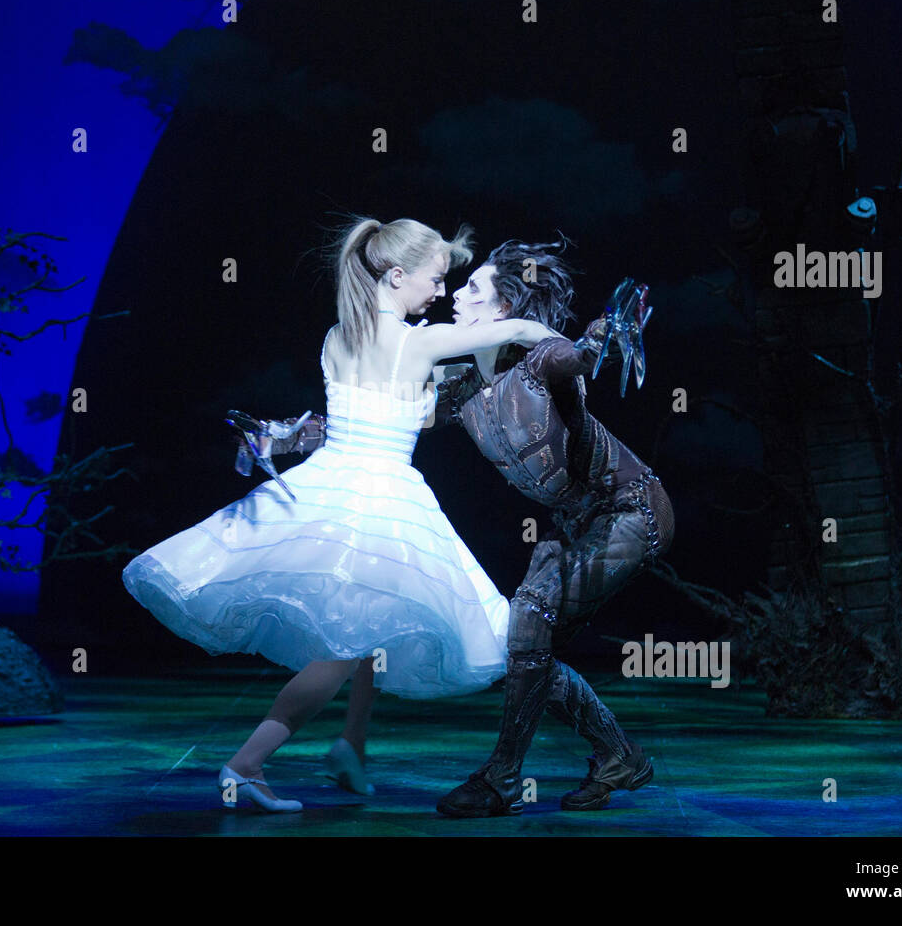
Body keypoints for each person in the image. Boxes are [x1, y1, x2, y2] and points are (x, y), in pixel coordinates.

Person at [121, 218, 558, 812]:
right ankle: (246, 764)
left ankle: (350, 742)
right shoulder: (416, 342)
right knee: (346, 643)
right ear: (397, 275)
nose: (438, 293)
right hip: (376, 497)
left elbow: (378, 410)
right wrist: (575, 344)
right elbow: (526, 328)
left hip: (331, 482)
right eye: (434, 279)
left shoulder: (336, 337)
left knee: (361, 627)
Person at [265, 238, 674, 816]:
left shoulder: (539, 363)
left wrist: (606, 332)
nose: (455, 294)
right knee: (520, 640)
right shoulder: (461, 385)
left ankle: (502, 780)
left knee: (528, 624)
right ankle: (619, 756)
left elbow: (573, 356)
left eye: (473, 289)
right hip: (575, 522)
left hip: (632, 511)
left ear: (503, 310)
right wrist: (283, 435)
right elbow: (375, 414)